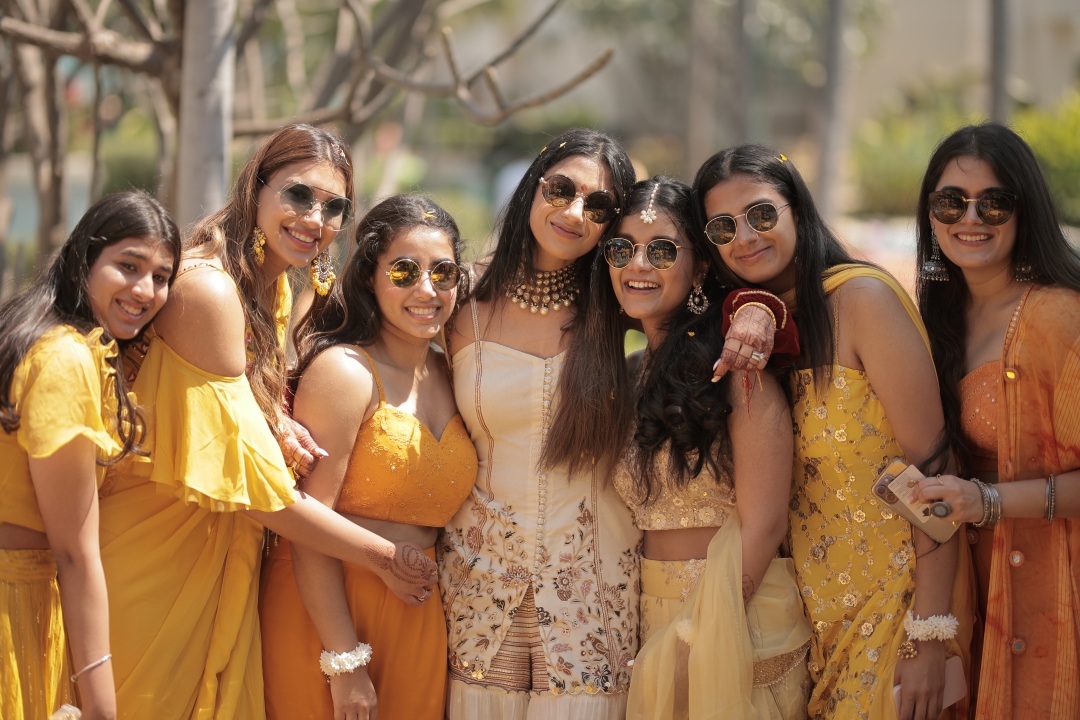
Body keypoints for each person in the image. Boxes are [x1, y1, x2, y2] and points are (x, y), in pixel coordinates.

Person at [98, 124, 437, 720]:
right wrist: (384, 558)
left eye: (335, 207)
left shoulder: (272, 287)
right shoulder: (209, 289)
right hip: (156, 551)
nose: (316, 218)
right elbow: (255, 489)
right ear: (256, 186)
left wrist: (272, 419)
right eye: (299, 195)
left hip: (224, 555)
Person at [692, 145, 971, 720]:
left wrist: (929, 633)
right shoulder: (757, 331)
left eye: (762, 215)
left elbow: (935, 473)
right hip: (817, 620)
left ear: (798, 209)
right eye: (723, 227)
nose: (744, 236)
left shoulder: (861, 301)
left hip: (902, 604)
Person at [439, 128, 640, 719]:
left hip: (593, 587)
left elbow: (707, 301)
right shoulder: (459, 299)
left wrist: (755, 312)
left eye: (598, 205)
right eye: (562, 189)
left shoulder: (624, 305)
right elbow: (367, 331)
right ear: (533, 185)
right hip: (479, 578)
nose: (575, 212)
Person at [600, 176, 811, 719]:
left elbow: (765, 524)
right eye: (622, 249)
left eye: (663, 250)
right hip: (654, 615)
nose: (638, 265)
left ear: (699, 269)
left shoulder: (738, 370)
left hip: (740, 619)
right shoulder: (627, 376)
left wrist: (697, 636)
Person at [261, 195, 477, 720]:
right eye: (404, 270)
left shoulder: (456, 376)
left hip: (417, 613)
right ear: (369, 278)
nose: (426, 289)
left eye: (442, 272)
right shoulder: (345, 373)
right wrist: (345, 660)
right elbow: (304, 522)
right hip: (328, 611)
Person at [910, 123, 1080, 717]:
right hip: (966, 592)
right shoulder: (935, 320)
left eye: (995, 202)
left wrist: (989, 502)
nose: (970, 217)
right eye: (951, 201)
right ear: (930, 216)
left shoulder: (1058, 319)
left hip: (1050, 596)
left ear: (1024, 211)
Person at [0, 190, 180, 720]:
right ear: (84, 261)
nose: (145, 290)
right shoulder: (66, 358)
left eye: (162, 276)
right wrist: (102, 709)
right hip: (14, 607)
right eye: (128, 266)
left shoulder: (36, 334)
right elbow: (75, 552)